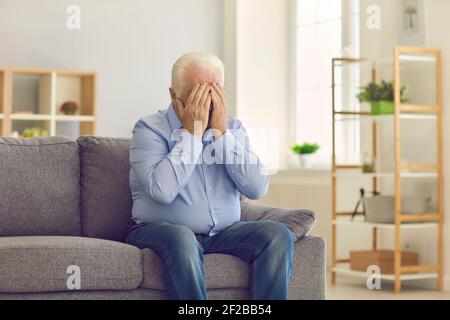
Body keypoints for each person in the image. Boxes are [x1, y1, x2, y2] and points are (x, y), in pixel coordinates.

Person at [127, 52, 294, 300]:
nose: (207, 104)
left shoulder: (233, 128)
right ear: (175, 96)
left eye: (214, 94)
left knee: (277, 234)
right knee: (181, 236)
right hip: (159, 231)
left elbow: (257, 188)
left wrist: (221, 134)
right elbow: (161, 191)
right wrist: (191, 134)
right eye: (198, 96)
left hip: (223, 233)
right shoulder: (149, 128)